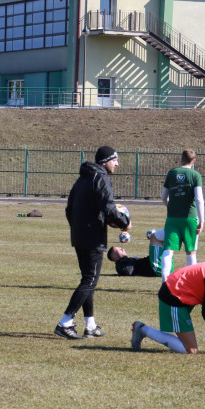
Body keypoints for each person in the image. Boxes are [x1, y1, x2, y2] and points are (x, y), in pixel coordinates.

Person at [55, 145, 130, 339]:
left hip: (79, 236)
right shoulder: (101, 177)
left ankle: (90, 324)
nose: (117, 164)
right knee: (89, 280)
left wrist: (77, 228)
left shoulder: (82, 178)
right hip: (92, 238)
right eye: (115, 160)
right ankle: (65, 322)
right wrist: (124, 222)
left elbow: (68, 209)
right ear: (105, 161)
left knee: (88, 279)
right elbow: (108, 207)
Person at [160, 149, 205, 279]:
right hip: (190, 218)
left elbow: (163, 196)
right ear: (194, 161)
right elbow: (199, 199)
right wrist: (202, 220)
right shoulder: (195, 175)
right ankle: (189, 283)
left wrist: (169, 206)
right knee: (191, 251)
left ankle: (165, 282)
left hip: (172, 218)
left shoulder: (172, 173)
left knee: (168, 250)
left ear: (181, 159)